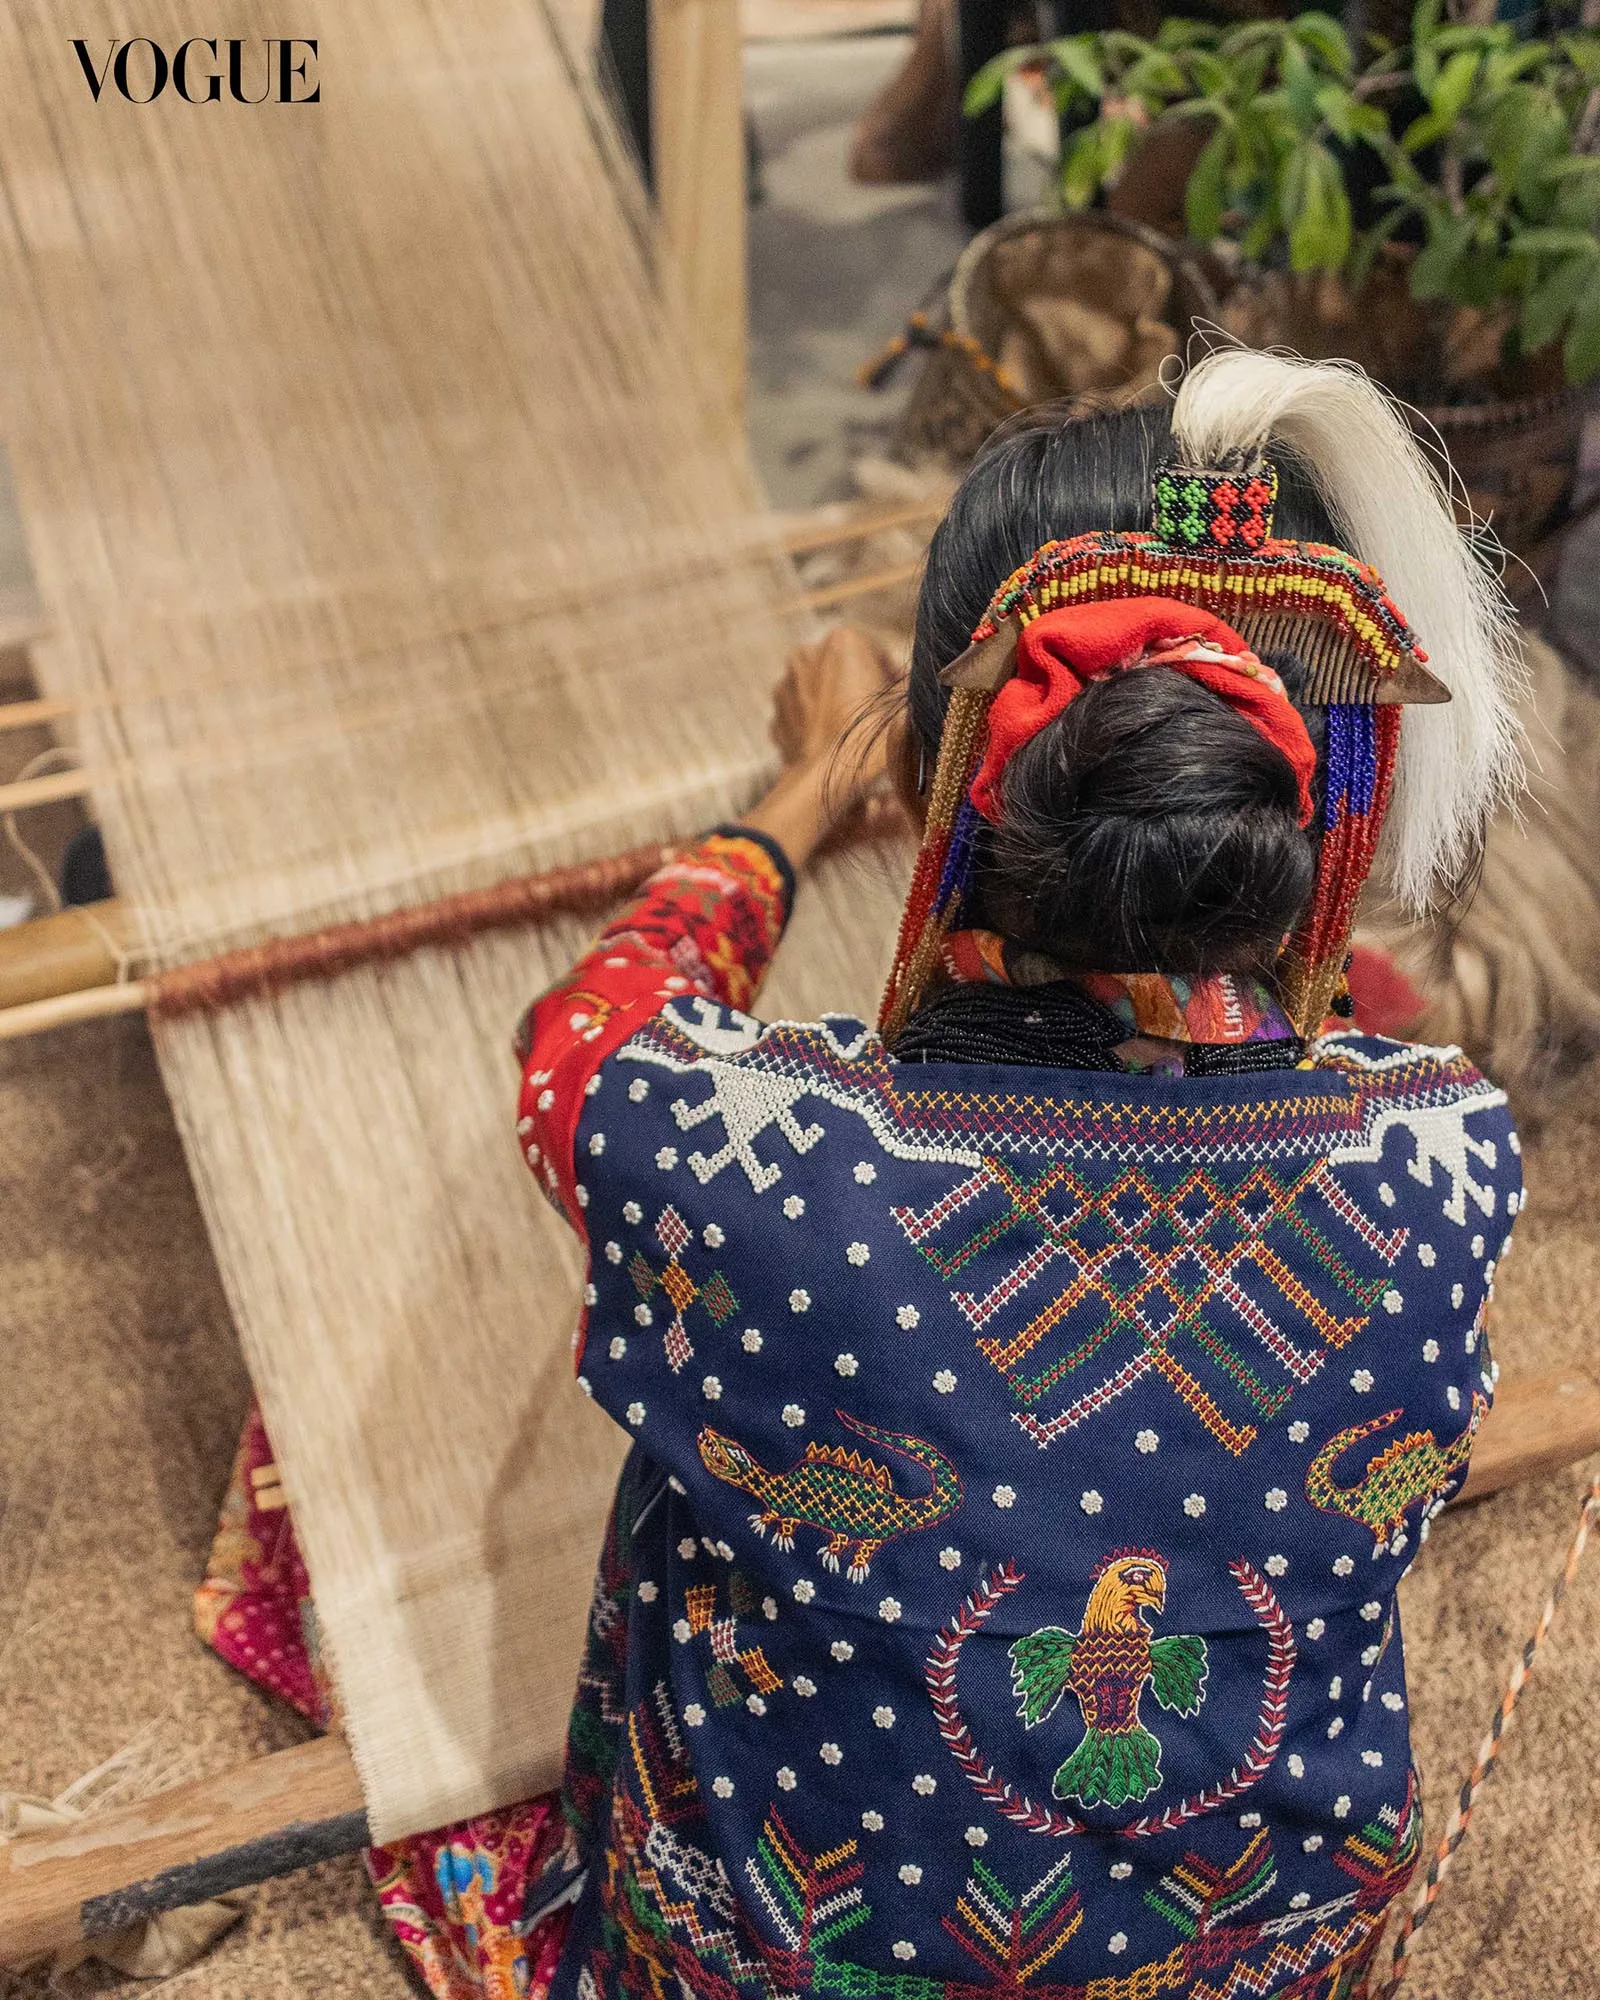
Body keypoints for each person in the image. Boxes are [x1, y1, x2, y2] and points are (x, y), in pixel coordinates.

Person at [513, 347, 1526, 2000]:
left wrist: (799, 791)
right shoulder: (1440, 1154)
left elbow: (581, 1033)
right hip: (1254, 1963)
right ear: (1324, 791)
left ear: (940, 773)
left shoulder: (755, 1164)